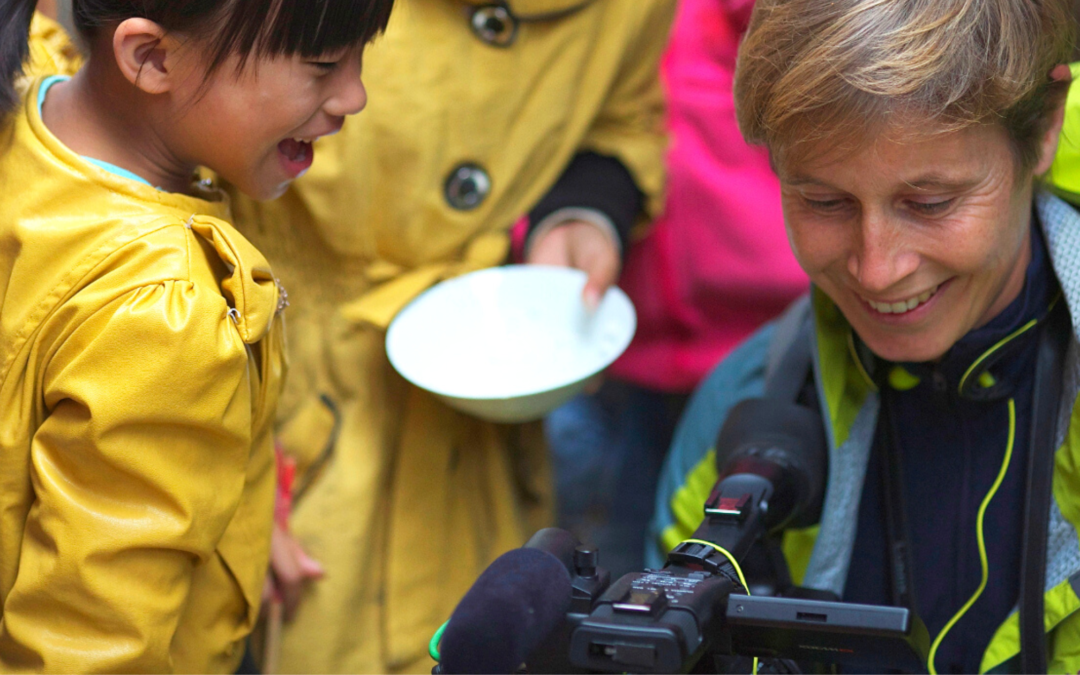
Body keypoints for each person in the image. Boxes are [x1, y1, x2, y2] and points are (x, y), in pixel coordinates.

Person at [226, 1, 675, 671]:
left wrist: (585, 208)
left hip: (481, 436)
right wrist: (224, 474)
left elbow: (622, 112)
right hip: (271, 395)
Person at [650, 0, 1080, 671]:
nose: (877, 268)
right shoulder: (748, 398)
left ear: (1046, 127)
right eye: (824, 201)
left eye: (930, 202)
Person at [0, 0, 392, 670]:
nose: (353, 95)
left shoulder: (26, 85)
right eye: (321, 65)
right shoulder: (162, 311)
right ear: (151, 59)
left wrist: (232, 508)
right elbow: (89, 648)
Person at [544, 0, 807, 577]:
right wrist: (561, 216)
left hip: (769, 364)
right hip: (627, 360)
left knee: (742, 571)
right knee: (622, 565)